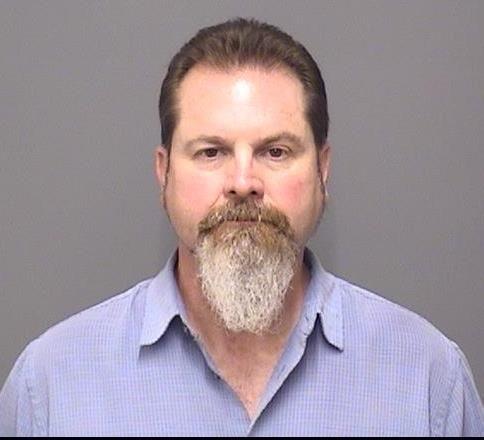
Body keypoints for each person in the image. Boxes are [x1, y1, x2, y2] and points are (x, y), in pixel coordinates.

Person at [0, 18, 483, 437]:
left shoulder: (427, 380)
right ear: (163, 173)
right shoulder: (51, 386)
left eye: (276, 151)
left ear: (323, 170)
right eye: (211, 152)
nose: (243, 182)